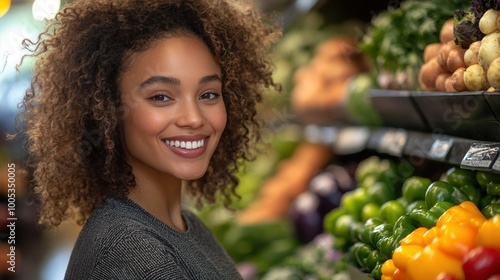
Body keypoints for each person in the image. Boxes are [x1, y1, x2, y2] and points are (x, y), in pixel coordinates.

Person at [15, 0, 281, 279]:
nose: (193, 118)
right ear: (107, 110)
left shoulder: (178, 224)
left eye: (208, 94)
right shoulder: (132, 254)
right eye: (161, 97)